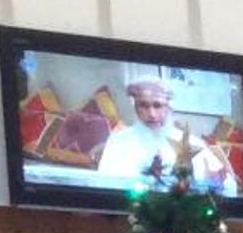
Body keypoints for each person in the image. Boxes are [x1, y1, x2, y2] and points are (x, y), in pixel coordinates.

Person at [95, 79, 234, 191]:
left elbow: (228, 185)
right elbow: (104, 185)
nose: (151, 114)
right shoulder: (119, 141)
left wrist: (213, 182)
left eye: (157, 106)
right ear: (135, 107)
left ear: (168, 107)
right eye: (143, 106)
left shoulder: (193, 143)